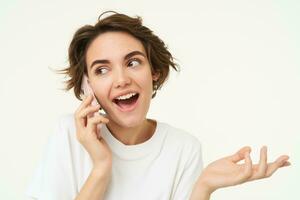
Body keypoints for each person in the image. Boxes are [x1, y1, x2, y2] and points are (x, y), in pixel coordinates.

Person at [26, 11, 290, 200]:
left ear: (154, 71)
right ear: (88, 86)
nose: (121, 80)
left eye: (133, 62)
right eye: (102, 69)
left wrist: (204, 186)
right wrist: (101, 167)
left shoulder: (183, 148)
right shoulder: (69, 134)